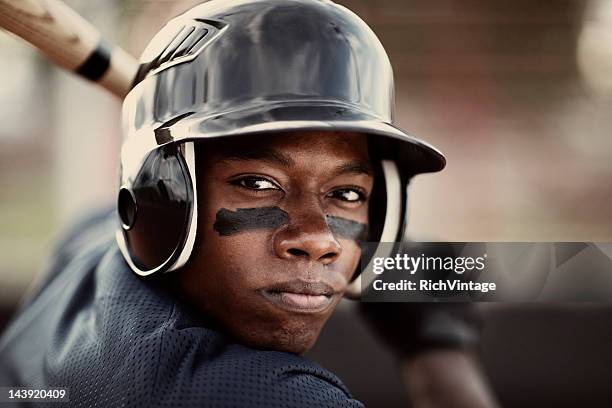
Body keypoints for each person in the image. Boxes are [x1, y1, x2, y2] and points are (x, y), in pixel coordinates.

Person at [0, 0, 497, 406]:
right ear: (159, 200)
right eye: (259, 183)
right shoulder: (257, 394)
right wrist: (439, 350)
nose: (320, 240)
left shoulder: (84, 245)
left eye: (347, 194)